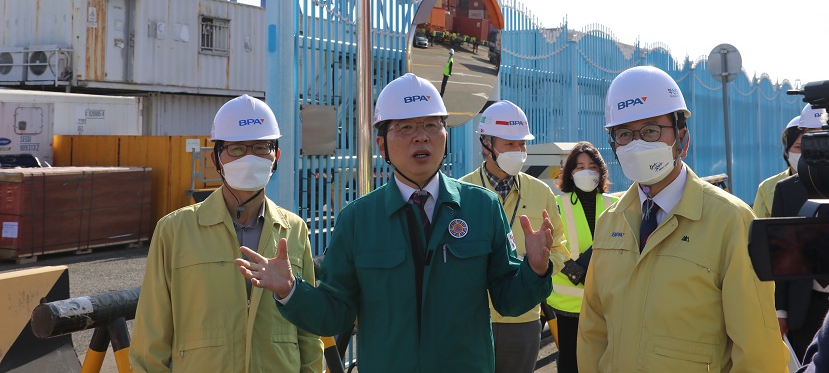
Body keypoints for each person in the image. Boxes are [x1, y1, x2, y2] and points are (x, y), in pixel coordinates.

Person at [235, 73, 555, 372]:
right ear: (381, 145)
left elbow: (508, 299)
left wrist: (535, 270)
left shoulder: (482, 207)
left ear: (445, 136)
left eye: (431, 126)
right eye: (405, 128)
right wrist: (291, 290)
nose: (421, 137)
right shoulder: (358, 220)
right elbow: (335, 313)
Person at [577, 65, 787, 372]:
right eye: (624, 134)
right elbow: (593, 331)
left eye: (650, 130)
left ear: (681, 139)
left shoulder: (732, 221)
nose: (637, 144)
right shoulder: (612, 219)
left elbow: (757, 350)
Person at [130, 95, 323, 373]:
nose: (249, 157)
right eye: (236, 149)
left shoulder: (294, 229)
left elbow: (308, 334)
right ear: (216, 158)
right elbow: (149, 342)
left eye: (260, 147)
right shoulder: (174, 231)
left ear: (276, 157)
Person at [460, 100, 569, 373]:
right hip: (471, 319)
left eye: (522, 144)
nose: (519, 151)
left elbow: (560, 248)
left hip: (523, 318)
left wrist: (538, 265)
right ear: (487, 145)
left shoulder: (540, 192)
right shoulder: (462, 192)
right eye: (510, 144)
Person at [546, 141, 618, 373]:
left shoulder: (615, 205)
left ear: (601, 171)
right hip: (568, 305)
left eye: (592, 167)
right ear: (570, 173)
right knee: (571, 363)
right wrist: (574, 270)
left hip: (606, 302)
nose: (586, 172)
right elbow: (553, 245)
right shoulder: (555, 205)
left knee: (605, 362)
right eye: (579, 167)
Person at [772, 104, 829, 358]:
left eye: (824, 133)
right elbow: (781, 255)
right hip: (804, 308)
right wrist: (781, 312)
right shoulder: (787, 190)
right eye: (809, 135)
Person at [752, 115, 802, 218]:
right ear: (786, 152)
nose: (806, 152)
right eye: (798, 147)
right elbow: (760, 229)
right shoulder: (767, 187)